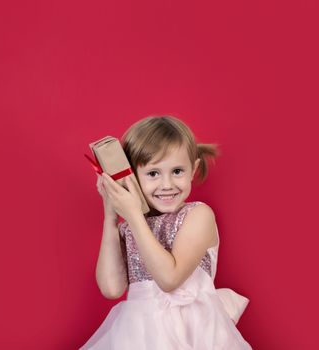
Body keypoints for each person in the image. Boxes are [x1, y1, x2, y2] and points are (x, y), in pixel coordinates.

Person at [80, 116, 252, 349]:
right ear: (131, 177)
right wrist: (111, 217)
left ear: (194, 170)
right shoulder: (131, 226)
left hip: (194, 335)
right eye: (153, 174)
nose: (167, 184)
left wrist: (132, 216)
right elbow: (111, 288)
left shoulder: (198, 215)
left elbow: (169, 279)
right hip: (139, 336)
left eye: (177, 171)